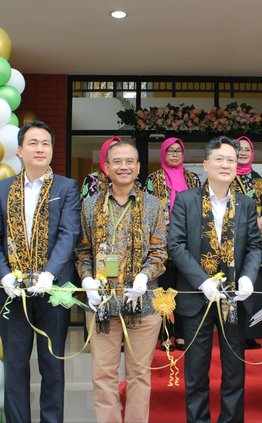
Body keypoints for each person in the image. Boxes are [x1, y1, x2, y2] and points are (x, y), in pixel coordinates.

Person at [168, 136, 262, 423]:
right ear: (205, 164)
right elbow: (176, 245)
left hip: (234, 298)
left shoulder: (245, 203)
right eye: (219, 159)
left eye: (231, 160)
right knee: (196, 371)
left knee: (235, 371)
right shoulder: (186, 200)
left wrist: (247, 278)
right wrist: (202, 281)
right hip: (198, 297)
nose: (225, 165)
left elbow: (255, 246)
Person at [75, 141, 167, 423]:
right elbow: (82, 250)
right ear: (106, 167)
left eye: (129, 161)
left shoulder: (154, 205)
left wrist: (144, 275)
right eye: (117, 161)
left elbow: (160, 251)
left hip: (142, 302)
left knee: (139, 374)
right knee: (103, 374)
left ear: (138, 168)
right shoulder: (90, 205)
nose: (123, 166)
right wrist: (87, 279)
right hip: (101, 303)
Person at [0, 120, 81, 423]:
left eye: (46, 143)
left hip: (53, 291)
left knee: (52, 365)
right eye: (33, 143)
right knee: (16, 366)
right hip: (12, 293)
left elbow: (69, 233)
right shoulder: (2, 189)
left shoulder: (66, 187)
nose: (40, 148)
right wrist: (5, 275)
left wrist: (49, 274)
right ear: (20, 150)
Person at [145, 136, 201, 351]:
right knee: (165, 288)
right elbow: (149, 210)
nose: (175, 154)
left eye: (178, 150)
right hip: (163, 242)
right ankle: (166, 335)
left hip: (188, 242)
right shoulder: (153, 179)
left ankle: (182, 335)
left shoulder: (193, 178)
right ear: (163, 154)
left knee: (185, 288)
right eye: (170, 151)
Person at [235, 135, 262, 349]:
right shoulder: (227, 177)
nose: (243, 152)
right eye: (239, 149)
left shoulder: (260, 179)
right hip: (230, 240)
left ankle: (250, 333)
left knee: (254, 282)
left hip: (256, 238)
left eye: (247, 149)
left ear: (252, 153)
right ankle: (233, 331)